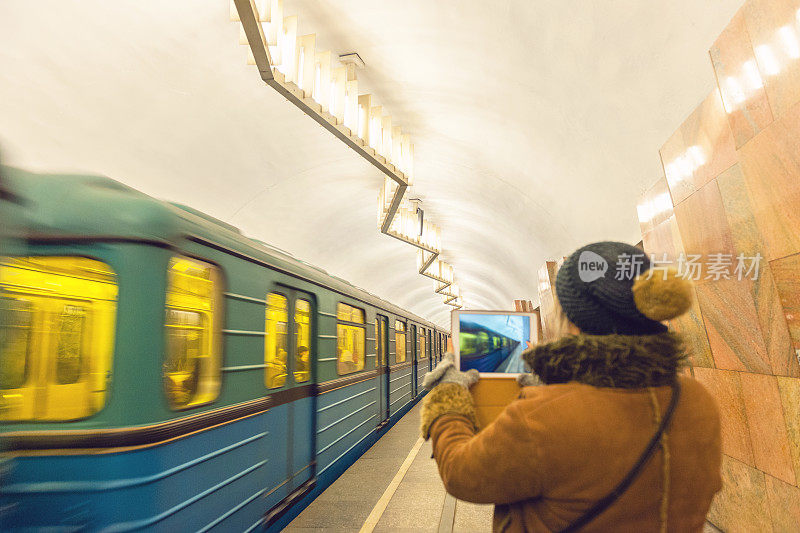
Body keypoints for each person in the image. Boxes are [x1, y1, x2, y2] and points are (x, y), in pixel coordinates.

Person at [421, 241, 721, 532]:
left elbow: (462, 474)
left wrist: (448, 395)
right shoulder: (696, 399)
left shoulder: (542, 416)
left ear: (574, 324)